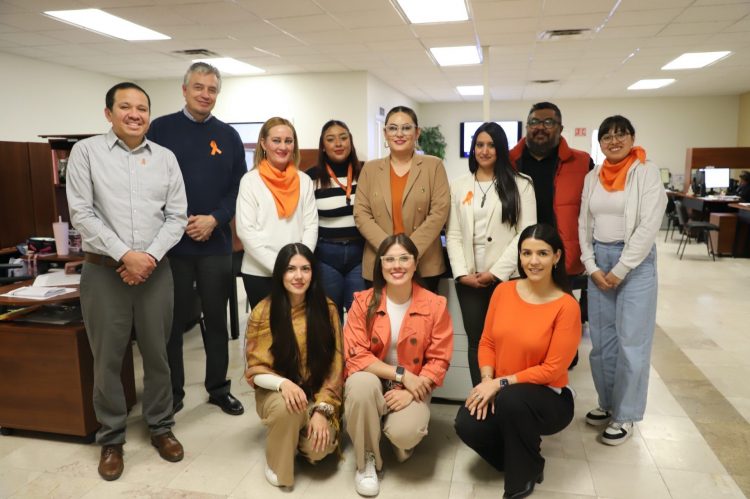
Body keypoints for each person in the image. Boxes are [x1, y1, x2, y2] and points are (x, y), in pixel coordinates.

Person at [66, 82, 188, 481]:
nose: (135, 114)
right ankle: (112, 438)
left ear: (149, 115)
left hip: (155, 271)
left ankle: (161, 427)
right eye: (125, 107)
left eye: (142, 108)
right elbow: (81, 213)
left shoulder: (165, 158)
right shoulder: (86, 153)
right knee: (107, 358)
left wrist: (147, 258)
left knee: (158, 354)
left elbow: (177, 217)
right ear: (109, 113)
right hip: (104, 271)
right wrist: (125, 255)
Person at [147, 62, 246, 417]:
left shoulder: (229, 136)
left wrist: (215, 218)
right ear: (185, 90)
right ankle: (172, 393)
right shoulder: (160, 129)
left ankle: (218, 388)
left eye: (212, 89)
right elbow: (149, 183)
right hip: (171, 247)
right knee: (172, 323)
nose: (205, 94)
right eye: (198, 87)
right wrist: (180, 222)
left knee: (216, 321)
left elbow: (238, 187)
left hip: (215, 245)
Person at [454, 223, 581, 499]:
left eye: (542, 253)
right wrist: (487, 380)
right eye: (526, 253)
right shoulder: (503, 291)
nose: (533, 261)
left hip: (548, 397)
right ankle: (520, 456)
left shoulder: (566, 306)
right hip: (503, 391)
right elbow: (487, 342)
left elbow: (552, 370)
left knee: (512, 400)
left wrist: (500, 384)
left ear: (557, 257)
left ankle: (522, 476)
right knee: (466, 423)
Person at [579, 115, 667, 445]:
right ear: (600, 143)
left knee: (632, 343)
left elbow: (649, 225)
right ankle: (607, 403)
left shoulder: (645, 173)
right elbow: (583, 223)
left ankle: (626, 414)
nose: (614, 141)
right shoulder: (592, 177)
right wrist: (591, 265)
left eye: (621, 135)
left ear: (632, 138)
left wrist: (621, 268)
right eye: (607, 136)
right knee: (602, 344)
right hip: (599, 261)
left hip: (635, 263)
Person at [343, 234, 453, 497]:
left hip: (413, 386)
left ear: (415, 264)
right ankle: (366, 462)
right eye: (389, 259)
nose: (397, 266)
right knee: (359, 383)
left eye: (404, 258)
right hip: (378, 380)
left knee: (404, 434)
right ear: (380, 265)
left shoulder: (435, 305)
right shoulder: (363, 301)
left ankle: (393, 433)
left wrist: (411, 391)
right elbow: (356, 354)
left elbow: (439, 359)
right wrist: (402, 376)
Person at [446, 122, 537, 386]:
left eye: (491, 145)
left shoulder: (521, 184)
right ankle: (481, 398)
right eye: (479, 145)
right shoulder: (459, 185)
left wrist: (496, 273)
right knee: (476, 341)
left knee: (508, 340)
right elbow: (453, 234)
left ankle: (506, 397)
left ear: (501, 149)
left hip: (508, 278)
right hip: (469, 280)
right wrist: (461, 274)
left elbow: (525, 234)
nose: (484, 151)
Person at [245, 243, 342, 488]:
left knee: (318, 451)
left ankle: (290, 433)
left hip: (317, 394)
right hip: (276, 393)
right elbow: (255, 369)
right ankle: (277, 459)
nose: (298, 276)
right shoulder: (263, 311)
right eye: (291, 269)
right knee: (289, 408)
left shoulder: (328, 309)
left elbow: (335, 366)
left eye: (305, 269)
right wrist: (283, 384)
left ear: (313, 273)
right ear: (280, 273)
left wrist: (321, 411)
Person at [510, 102, 592, 367]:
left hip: (563, 253)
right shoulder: (509, 161)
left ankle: (562, 365)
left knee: (561, 311)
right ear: (527, 127)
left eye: (548, 122)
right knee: (525, 312)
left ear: (560, 128)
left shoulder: (582, 162)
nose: (540, 128)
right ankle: (530, 365)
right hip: (521, 252)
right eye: (534, 122)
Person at [354, 106, 450, 293]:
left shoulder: (434, 166)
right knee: (380, 312)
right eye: (393, 128)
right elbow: (361, 214)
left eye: (406, 128)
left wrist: (408, 251)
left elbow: (439, 212)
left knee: (423, 312)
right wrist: (390, 250)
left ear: (417, 132)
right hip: (380, 261)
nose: (399, 134)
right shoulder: (370, 169)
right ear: (385, 133)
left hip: (424, 263)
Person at [236, 117, 318, 309]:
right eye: (276, 140)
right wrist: (281, 267)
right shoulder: (250, 181)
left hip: (297, 273)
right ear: (263, 143)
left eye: (288, 141)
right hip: (259, 273)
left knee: (298, 326)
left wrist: (299, 266)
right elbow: (246, 231)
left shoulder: (304, 180)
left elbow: (311, 226)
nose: (283, 146)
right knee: (266, 328)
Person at [306, 120, 365, 318]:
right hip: (326, 255)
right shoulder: (310, 177)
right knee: (329, 318)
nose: (338, 143)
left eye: (343, 138)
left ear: (350, 141)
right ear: (323, 146)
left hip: (360, 254)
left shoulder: (365, 172)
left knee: (360, 316)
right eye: (331, 139)